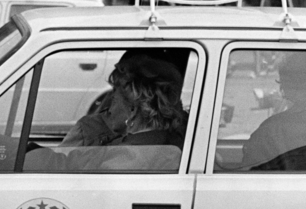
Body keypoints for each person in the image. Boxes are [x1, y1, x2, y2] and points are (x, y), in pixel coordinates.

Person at [25, 52, 189, 172]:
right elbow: (72, 161)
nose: (108, 104)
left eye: (115, 95)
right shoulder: (166, 142)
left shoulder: (125, 160)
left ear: (133, 109)